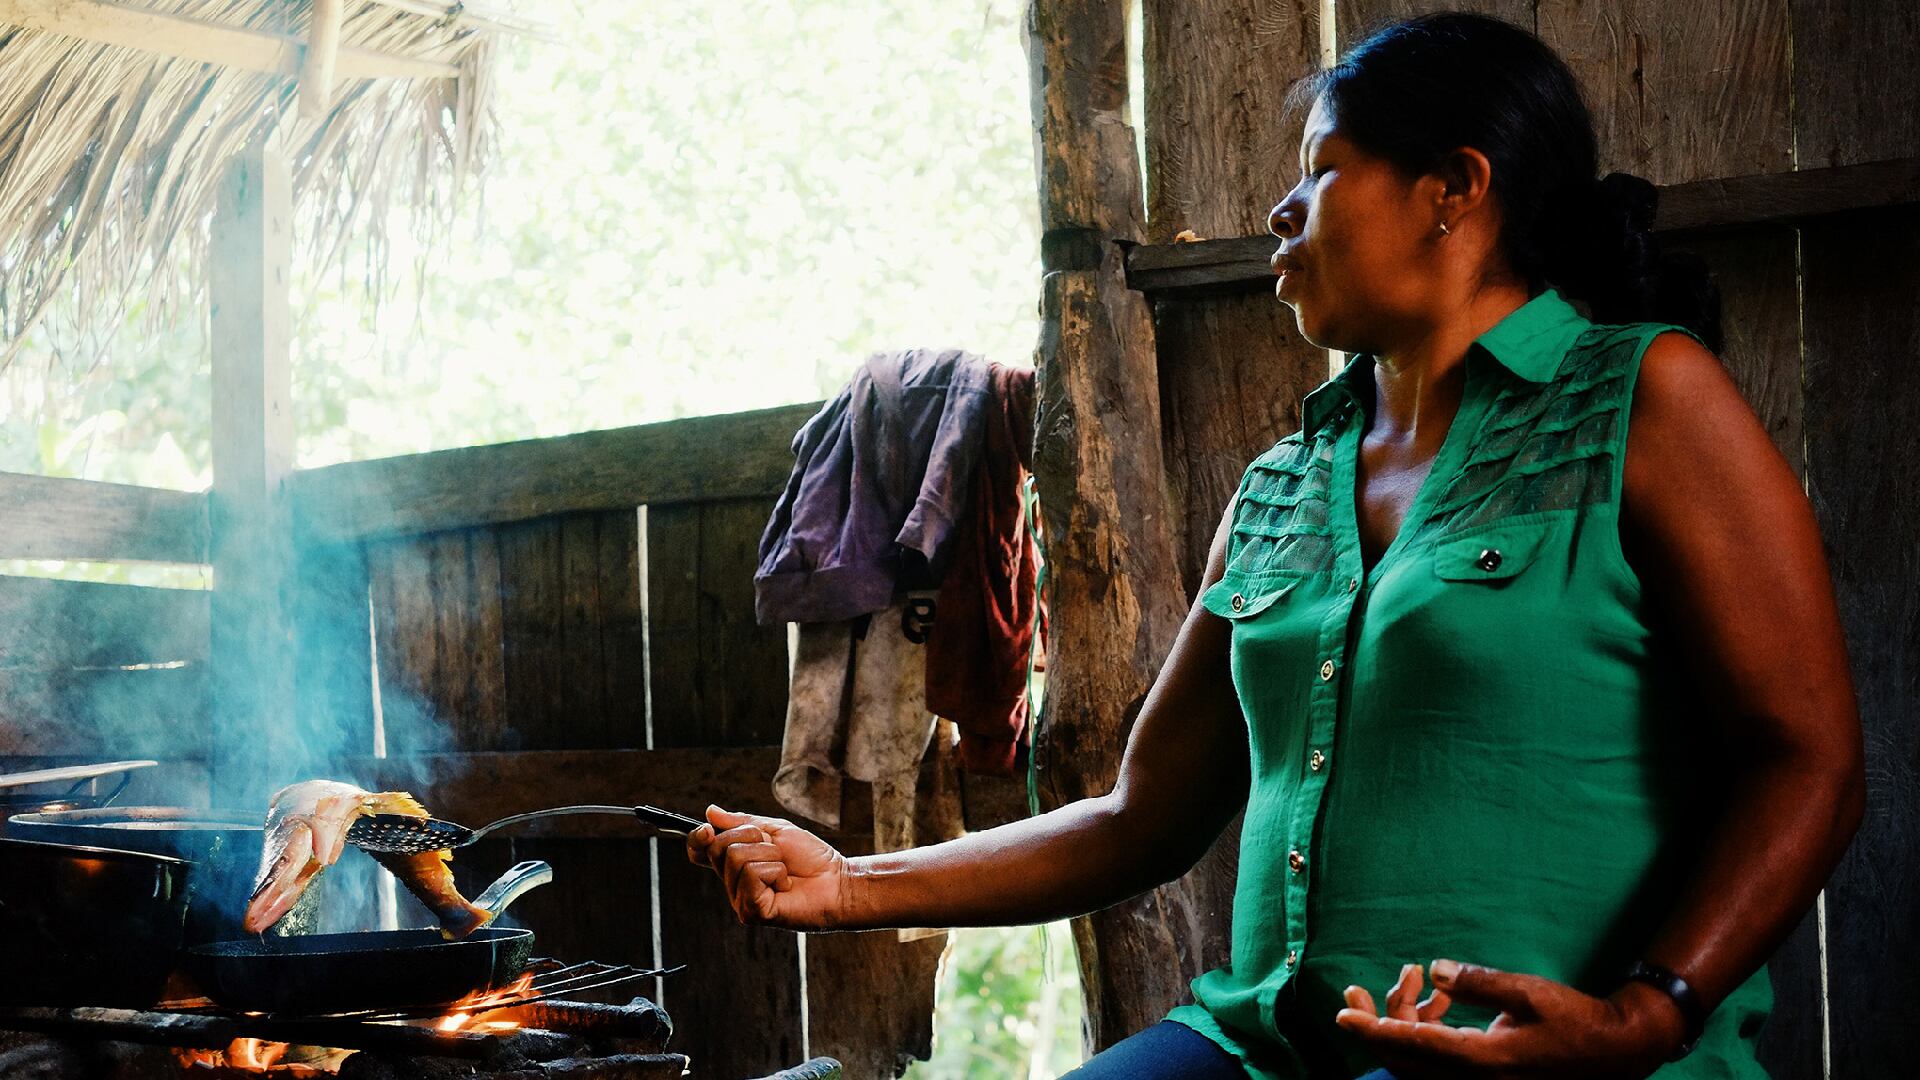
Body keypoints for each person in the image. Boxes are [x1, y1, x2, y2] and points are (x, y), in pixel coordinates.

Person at [687, 12, 1864, 1079]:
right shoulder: (1286, 482)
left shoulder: (1644, 398)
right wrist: (847, 885)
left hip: (1544, 1058)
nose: (1280, 212)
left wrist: (1650, 1011)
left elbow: (1807, 760)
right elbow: (1140, 817)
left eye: (1322, 173)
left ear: (1453, 188)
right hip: (1258, 1050)